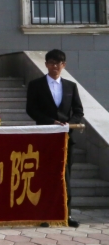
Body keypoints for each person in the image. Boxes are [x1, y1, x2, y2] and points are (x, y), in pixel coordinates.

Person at [26, 49, 83, 228]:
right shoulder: (36, 85)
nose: (54, 66)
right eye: (51, 63)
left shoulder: (71, 86)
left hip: (66, 138)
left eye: (58, 63)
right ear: (46, 65)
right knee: (45, 175)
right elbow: (31, 109)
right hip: (45, 136)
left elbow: (78, 111)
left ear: (63, 65)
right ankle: (44, 215)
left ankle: (67, 214)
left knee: (65, 175)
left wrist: (69, 124)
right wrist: (50, 122)